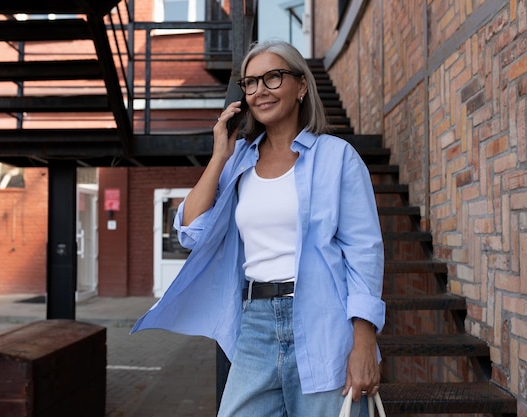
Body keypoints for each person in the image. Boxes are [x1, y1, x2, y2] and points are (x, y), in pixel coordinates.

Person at [131, 40, 385, 417]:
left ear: (301, 86)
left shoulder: (337, 157)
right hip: (256, 324)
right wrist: (220, 155)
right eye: (250, 82)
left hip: (323, 322)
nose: (260, 90)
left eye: (273, 77)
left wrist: (363, 342)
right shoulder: (238, 164)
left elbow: (365, 252)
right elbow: (190, 231)